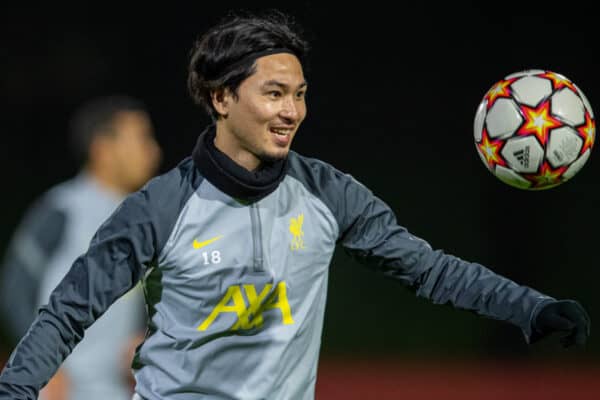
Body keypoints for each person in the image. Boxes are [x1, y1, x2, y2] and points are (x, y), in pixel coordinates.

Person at [0, 10, 590, 400]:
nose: (291, 111)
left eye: (300, 95)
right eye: (275, 93)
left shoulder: (328, 193)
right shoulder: (159, 207)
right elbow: (68, 311)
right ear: (222, 97)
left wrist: (530, 308)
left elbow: (429, 269)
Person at [0, 95, 161, 400]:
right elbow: (15, 288)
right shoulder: (62, 210)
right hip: (59, 391)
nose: (153, 151)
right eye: (141, 138)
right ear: (103, 148)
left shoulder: (143, 223)